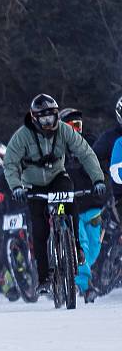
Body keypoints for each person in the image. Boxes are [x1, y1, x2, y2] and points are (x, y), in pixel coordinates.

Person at [4, 94, 104, 295]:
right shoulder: (22, 136)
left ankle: (76, 248)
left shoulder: (64, 130)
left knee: (70, 200)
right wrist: (16, 187)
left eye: (53, 117)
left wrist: (98, 179)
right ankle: (44, 278)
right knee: (40, 230)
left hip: (57, 177)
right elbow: (10, 163)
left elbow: (86, 153)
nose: (50, 123)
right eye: (44, 119)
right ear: (34, 118)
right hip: (32, 183)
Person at [59, 108, 104, 303]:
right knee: (82, 244)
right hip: (71, 205)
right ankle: (84, 286)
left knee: (94, 248)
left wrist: (102, 184)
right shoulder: (57, 148)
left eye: (79, 125)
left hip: (92, 203)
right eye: (71, 126)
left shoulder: (90, 143)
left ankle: (76, 271)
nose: (76, 130)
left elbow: (101, 166)